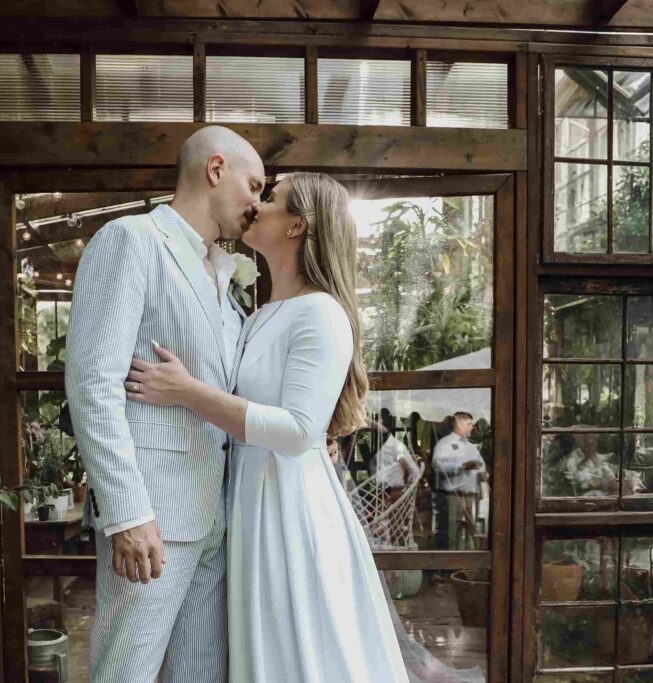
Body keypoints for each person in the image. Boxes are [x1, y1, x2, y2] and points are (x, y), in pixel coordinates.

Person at [126, 173, 409, 682]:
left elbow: (300, 430)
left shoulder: (321, 313)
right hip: (251, 497)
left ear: (298, 225)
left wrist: (186, 391)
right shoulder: (260, 314)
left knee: (295, 647)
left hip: (289, 506)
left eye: (271, 198)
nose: (257, 204)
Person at [64, 125, 264, 682]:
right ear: (215, 169)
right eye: (255, 184)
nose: (258, 203)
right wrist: (128, 512)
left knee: (200, 672)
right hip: (152, 518)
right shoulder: (131, 240)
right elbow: (93, 383)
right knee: (125, 673)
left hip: (216, 517)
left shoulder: (223, 275)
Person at [432, 411, 488, 550]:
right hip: (451, 497)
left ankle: (467, 568)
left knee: (471, 533)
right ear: (459, 424)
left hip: (471, 497)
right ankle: (447, 568)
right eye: (469, 424)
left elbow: (482, 467)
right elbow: (437, 467)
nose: (472, 428)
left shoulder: (471, 447)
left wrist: (483, 479)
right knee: (450, 533)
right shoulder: (444, 445)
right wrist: (462, 466)